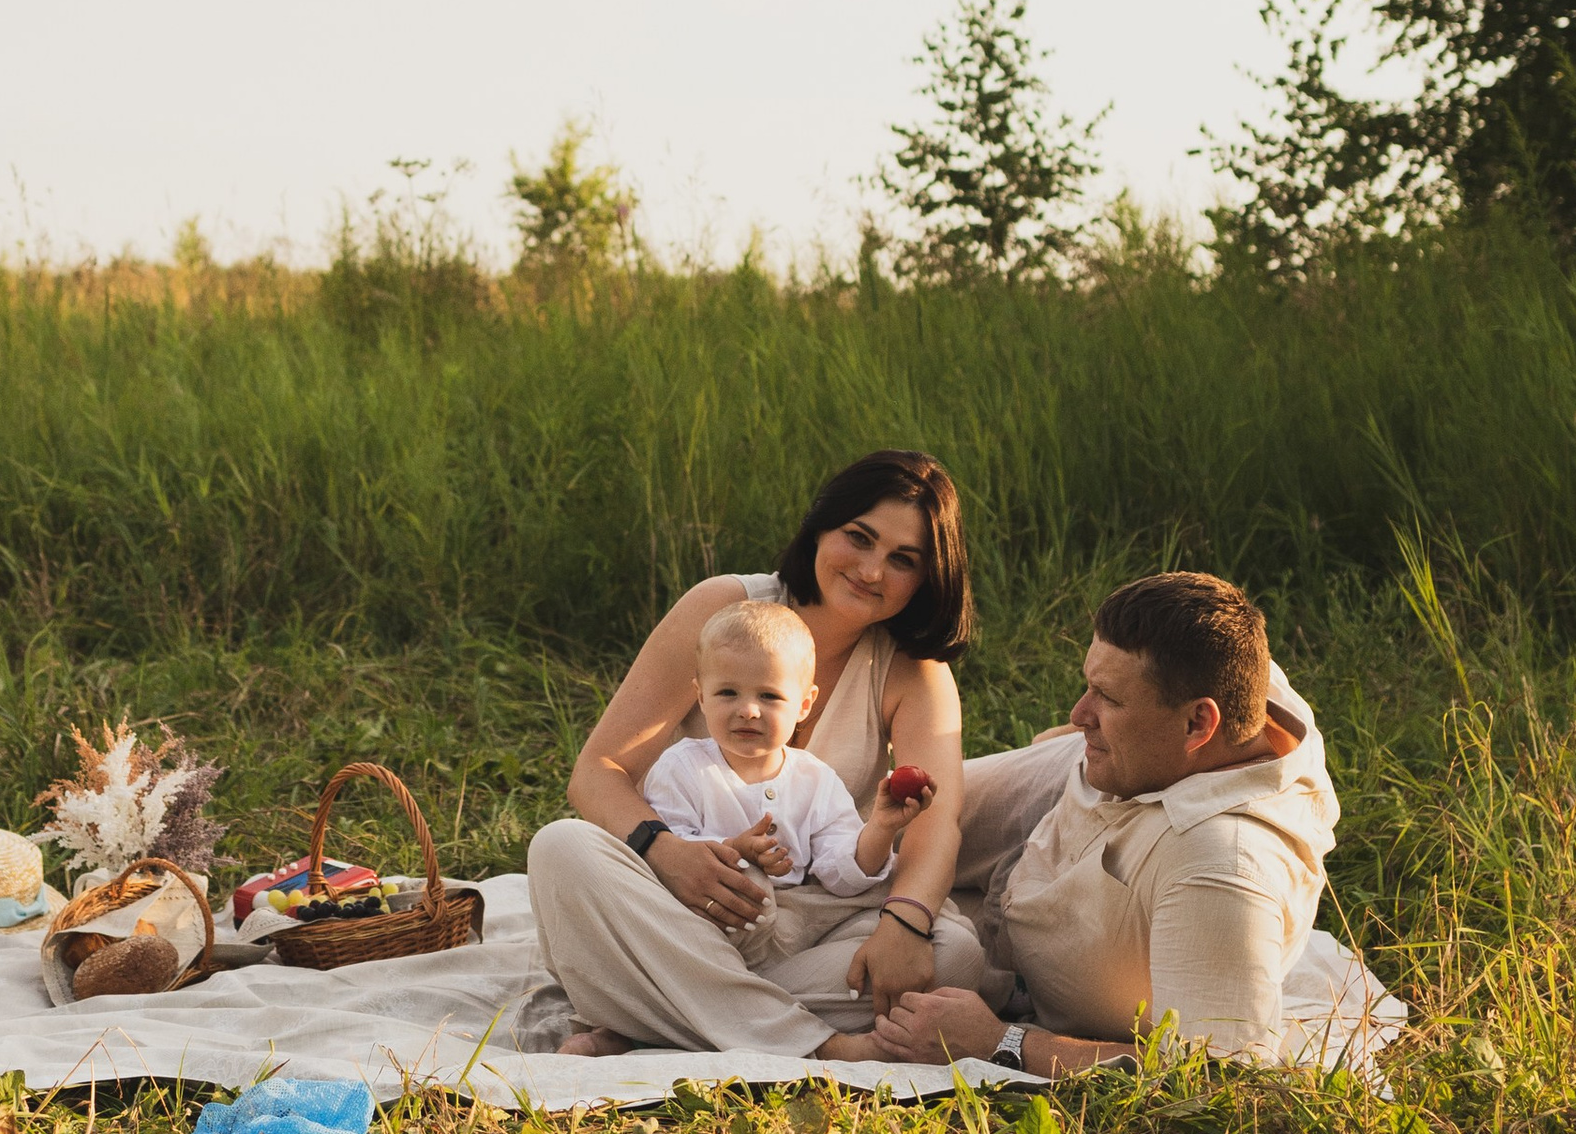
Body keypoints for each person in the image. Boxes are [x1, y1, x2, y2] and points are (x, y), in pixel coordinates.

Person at [524, 449, 973, 1066]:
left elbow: (933, 823)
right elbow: (597, 772)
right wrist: (665, 849)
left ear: (928, 577)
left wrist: (906, 924)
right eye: (859, 538)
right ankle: (810, 1040)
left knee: (955, 953)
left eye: (903, 560)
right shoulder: (725, 608)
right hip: (684, 907)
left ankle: (651, 1016)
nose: (872, 570)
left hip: (814, 918)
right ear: (820, 526)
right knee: (560, 848)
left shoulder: (911, 668)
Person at [871, 569, 1335, 1076]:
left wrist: (998, 1042)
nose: (1078, 710)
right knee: (870, 824)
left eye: (1108, 698)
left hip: (1026, 957)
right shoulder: (1236, 683)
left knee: (860, 961)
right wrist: (1095, 732)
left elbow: (1219, 1072)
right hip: (1084, 785)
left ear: (1199, 724)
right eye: (1090, 686)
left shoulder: (1223, 867)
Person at [632, 598, 915, 898]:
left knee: (949, 940)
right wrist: (735, 850)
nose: (748, 711)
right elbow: (670, 858)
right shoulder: (681, 768)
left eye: (769, 696)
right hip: (706, 913)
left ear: (804, 704)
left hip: (795, 916)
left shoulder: (816, 780)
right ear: (701, 697)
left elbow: (841, 878)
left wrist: (881, 828)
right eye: (728, 692)